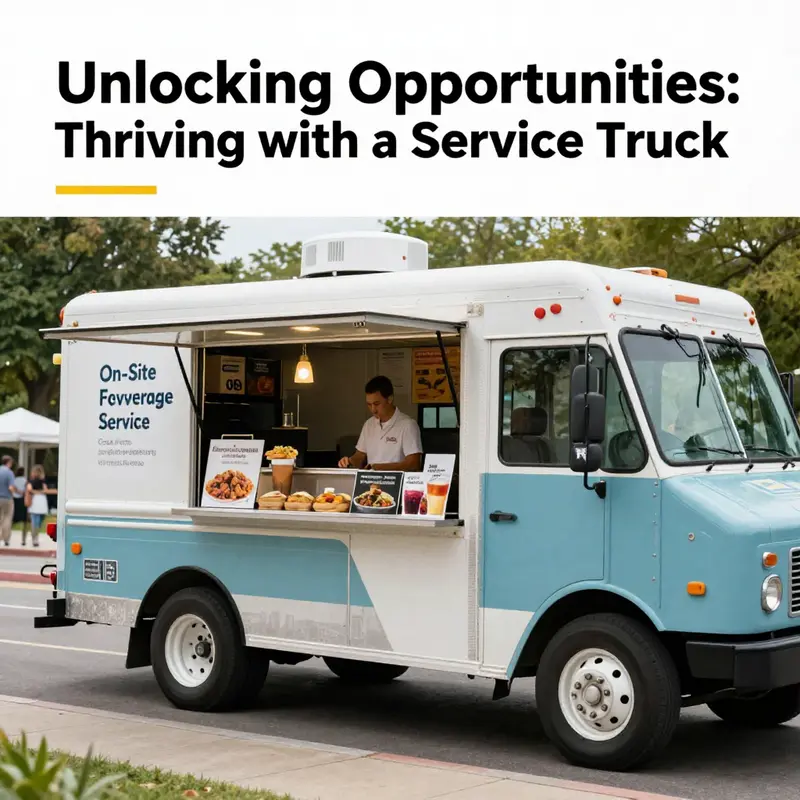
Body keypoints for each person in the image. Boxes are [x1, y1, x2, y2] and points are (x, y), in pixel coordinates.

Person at [338, 375, 423, 472]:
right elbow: (360, 456)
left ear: (390, 399)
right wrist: (349, 461)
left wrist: (379, 468)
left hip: (397, 483)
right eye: (369, 405)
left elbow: (413, 464)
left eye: (377, 404)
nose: (373, 410)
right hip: (371, 484)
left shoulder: (408, 425)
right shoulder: (369, 424)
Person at [26, 464, 54, 548]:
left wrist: (35, 492)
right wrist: (40, 492)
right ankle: (35, 537)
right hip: (41, 500)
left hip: (35, 500)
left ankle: (34, 537)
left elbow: (29, 489)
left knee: (35, 519)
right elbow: (45, 490)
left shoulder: (31, 481)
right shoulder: (43, 481)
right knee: (39, 520)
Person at [0, 455, 19, 546]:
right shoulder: (9, 473)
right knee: (7, 518)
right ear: (9, 463)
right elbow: (11, 487)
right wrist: (14, 494)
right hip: (7, 498)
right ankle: (6, 539)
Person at [12, 466, 30, 543]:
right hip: (23, 500)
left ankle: (6, 537)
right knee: (25, 521)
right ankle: (23, 540)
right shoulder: (25, 480)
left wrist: (18, 492)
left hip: (15, 500)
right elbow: (27, 490)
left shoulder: (14, 480)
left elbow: (13, 488)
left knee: (12, 519)